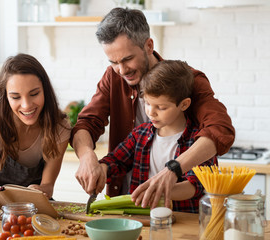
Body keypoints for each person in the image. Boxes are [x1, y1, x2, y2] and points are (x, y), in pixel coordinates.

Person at [71, 8, 235, 209]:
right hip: (129, 203)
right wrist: (88, 157)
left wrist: (173, 171)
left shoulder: (186, 81)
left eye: (127, 59)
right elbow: (87, 123)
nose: (121, 70)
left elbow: (220, 129)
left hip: (179, 210)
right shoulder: (113, 77)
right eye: (113, 62)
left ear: (148, 45)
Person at [99, 60, 217, 213]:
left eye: (161, 107)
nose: (151, 112)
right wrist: (101, 169)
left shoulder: (199, 142)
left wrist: (157, 190)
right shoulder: (139, 134)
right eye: (147, 103)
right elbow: (116, 161)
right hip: (141, 220)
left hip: (182, 221)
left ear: (184, 104)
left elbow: (195, 185)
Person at [0, 53, 71, 213]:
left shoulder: (59, 127)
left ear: (45, 90)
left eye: (34, 94)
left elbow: (48, 186)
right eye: (15, 97)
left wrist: (42, 190)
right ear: (5, 96)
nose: (26, 105)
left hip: (36, 210)